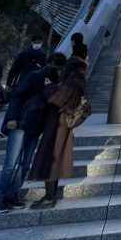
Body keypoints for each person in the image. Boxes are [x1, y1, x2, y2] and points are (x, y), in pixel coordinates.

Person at [0, 52, 67, 213]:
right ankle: (1, 198)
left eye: (57, 66)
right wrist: (12, 118)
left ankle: (13, 195)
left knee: (25, 164)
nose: (54, 68)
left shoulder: (56, 84)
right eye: (52, 64)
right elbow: (17, 96)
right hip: (21, 123)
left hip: (36, 127)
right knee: (10, 164)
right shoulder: (34, 76)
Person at [27, 45, 88, 209]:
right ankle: (50, 194)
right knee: (53, 160)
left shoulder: (71, 83)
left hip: (57, 125)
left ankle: (49, 197)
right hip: (64, 125)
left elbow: (55, 100)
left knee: (50, 159)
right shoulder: (79, 82)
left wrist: (48, 87)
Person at [0, 35, 47, 137]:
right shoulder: (23, 55)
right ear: (32, 43)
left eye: (39, 42)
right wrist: (9, 84)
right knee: (14, 106)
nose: (37, 44)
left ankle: (25, 127)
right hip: (22, 83)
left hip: (36, 86)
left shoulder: (43, 56)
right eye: (35, 42)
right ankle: (5, 130)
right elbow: (14, 70)